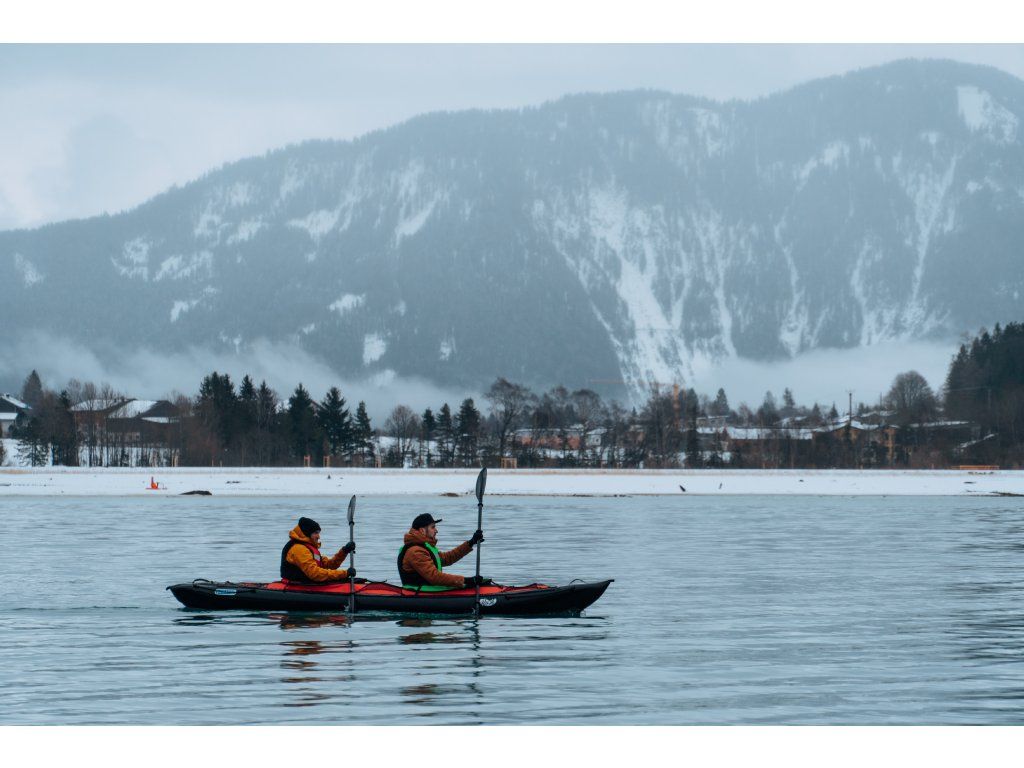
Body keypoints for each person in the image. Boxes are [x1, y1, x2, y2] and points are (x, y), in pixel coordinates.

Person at [397, 512, 487, 590]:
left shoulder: (424, 548)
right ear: (422, 531)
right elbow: (434, 577)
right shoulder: (415, 551)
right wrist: (466, 580)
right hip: (418, 592)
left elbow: (448, 558)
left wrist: (471, 543)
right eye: (433, 527)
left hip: (428, 590)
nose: (436, 531)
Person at [281, 516, 356, 583]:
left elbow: (328, 565)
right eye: (315, 533)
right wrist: (345, 573)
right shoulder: (299, 549)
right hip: (298, 586)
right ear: (307, 533)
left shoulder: (308, 548)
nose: (318, 536)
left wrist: (344, 551)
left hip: (309, 584)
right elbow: (314, 574)